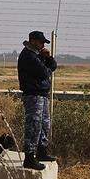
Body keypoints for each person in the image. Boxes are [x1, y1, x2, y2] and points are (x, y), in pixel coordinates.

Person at [17, 31, 58, 170]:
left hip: (41, 94)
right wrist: (46, 62)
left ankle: (42, 151)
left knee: (44, 124)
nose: (42, 45)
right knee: (33, 126)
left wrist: (48, 58)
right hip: (33, 95)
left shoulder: (37, 55)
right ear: (33, 41)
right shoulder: (29, 56)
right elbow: (45, 72)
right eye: (41, 43)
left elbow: (52, 67)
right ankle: (29, 157)